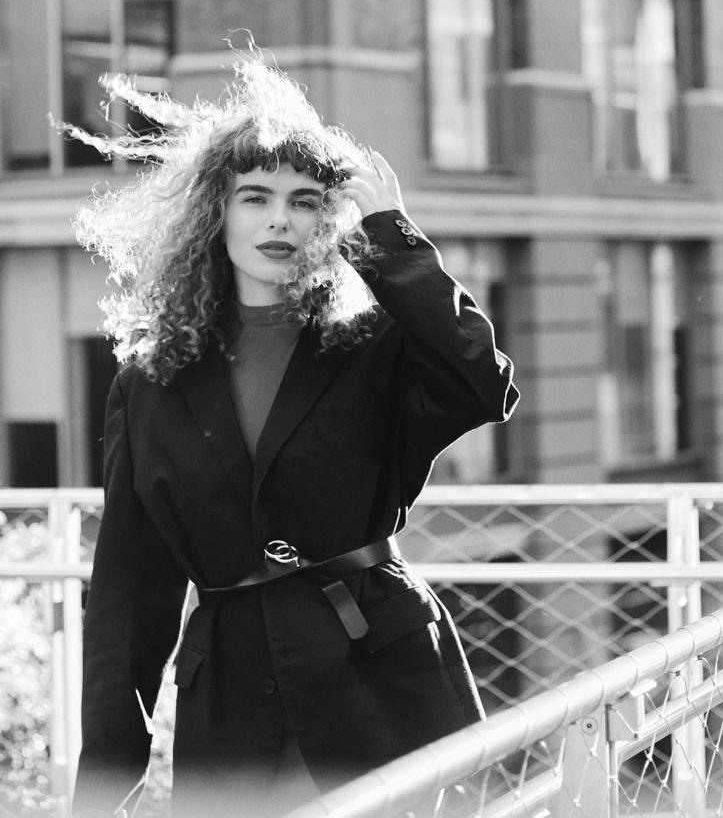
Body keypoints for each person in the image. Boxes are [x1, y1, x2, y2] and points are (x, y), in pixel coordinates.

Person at [67, 48, 519, 818]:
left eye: (305, 200)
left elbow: (481, 383)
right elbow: (129, 597)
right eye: (255, 196)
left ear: (327, 221)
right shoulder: (149, 382)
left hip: (382, 680)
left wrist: (392, 237)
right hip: (231, 709)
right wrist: (105, 786)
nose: (279, 218)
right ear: (214, 213)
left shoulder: (375, 346)